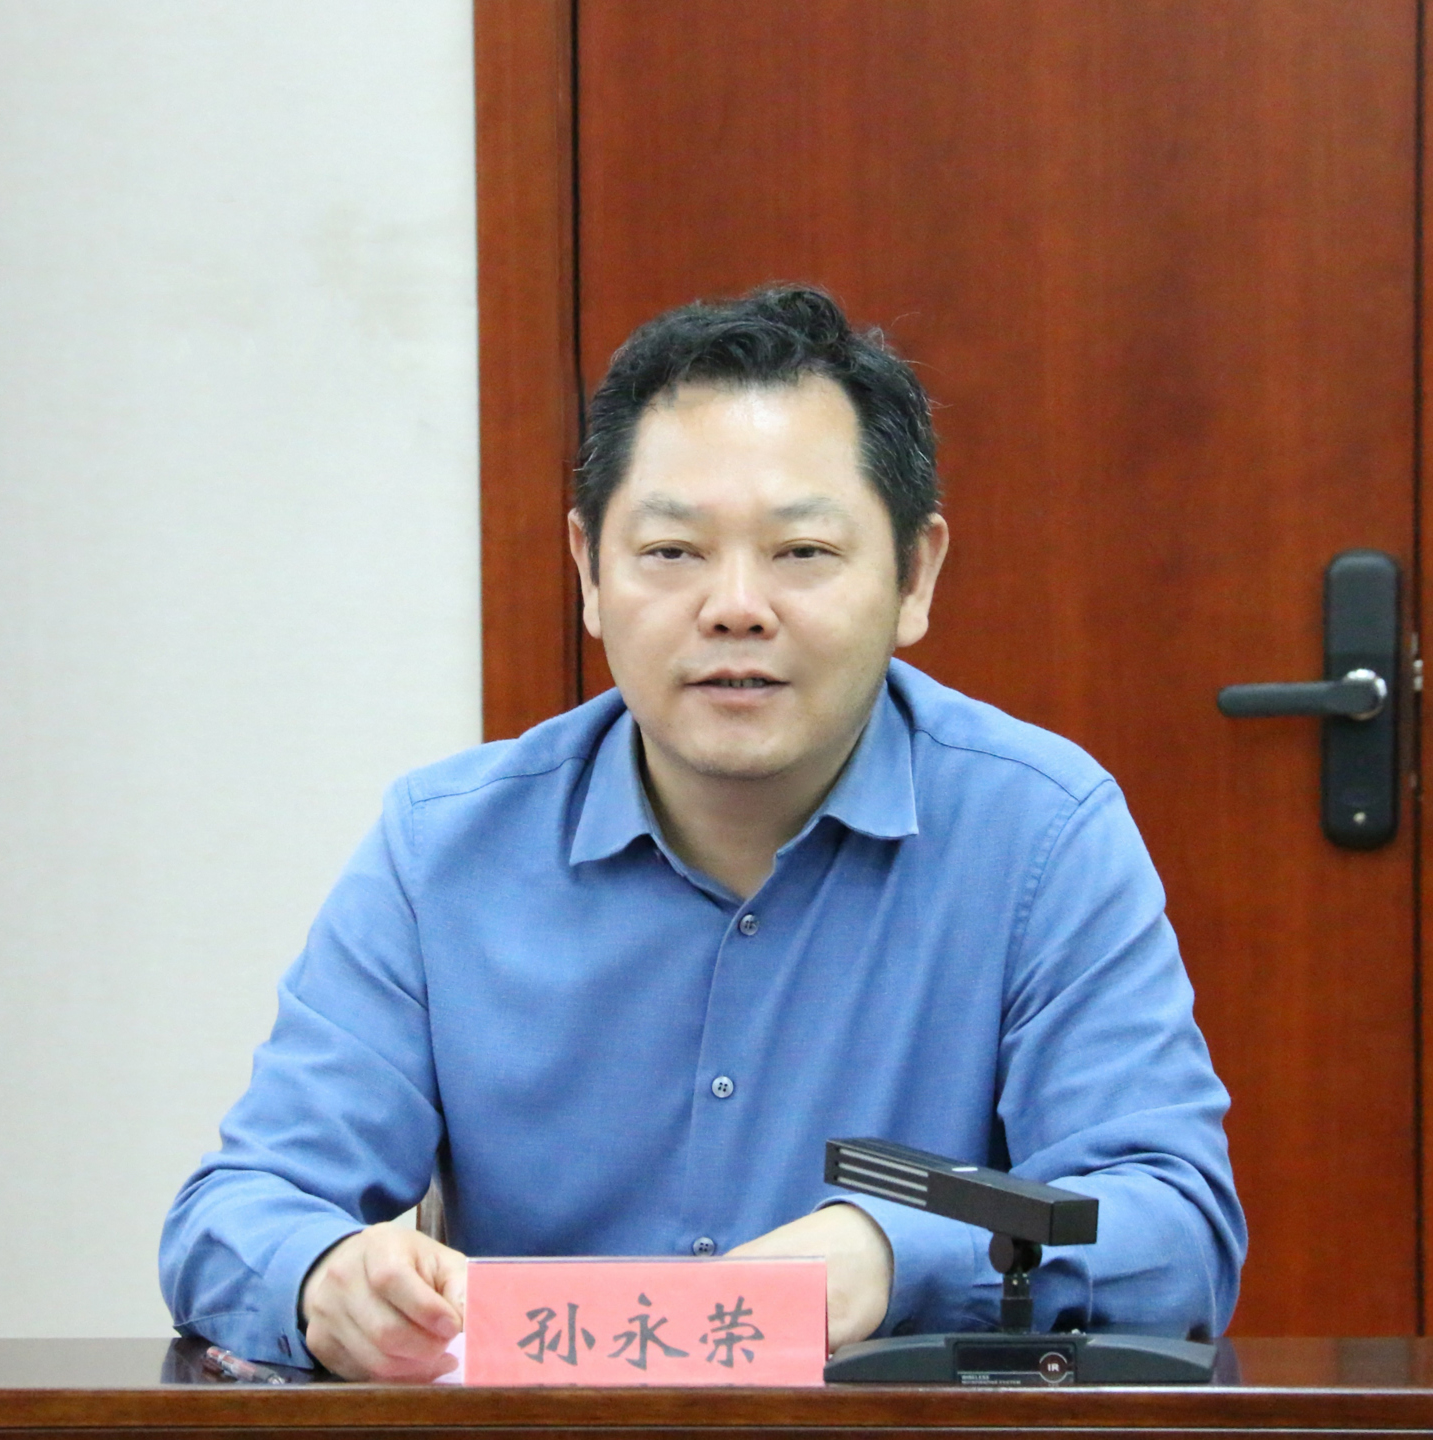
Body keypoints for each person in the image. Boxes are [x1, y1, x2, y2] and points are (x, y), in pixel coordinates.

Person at [160, 286, 1244, 1381]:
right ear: (588, 571)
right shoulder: (442, 850)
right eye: (673, 552)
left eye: (802, 552)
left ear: (915, 577)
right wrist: (324, 1276)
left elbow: (1171, 1227)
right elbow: (237, 1210)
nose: (735, 607)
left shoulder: (1040, 834)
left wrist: (891, 1254)